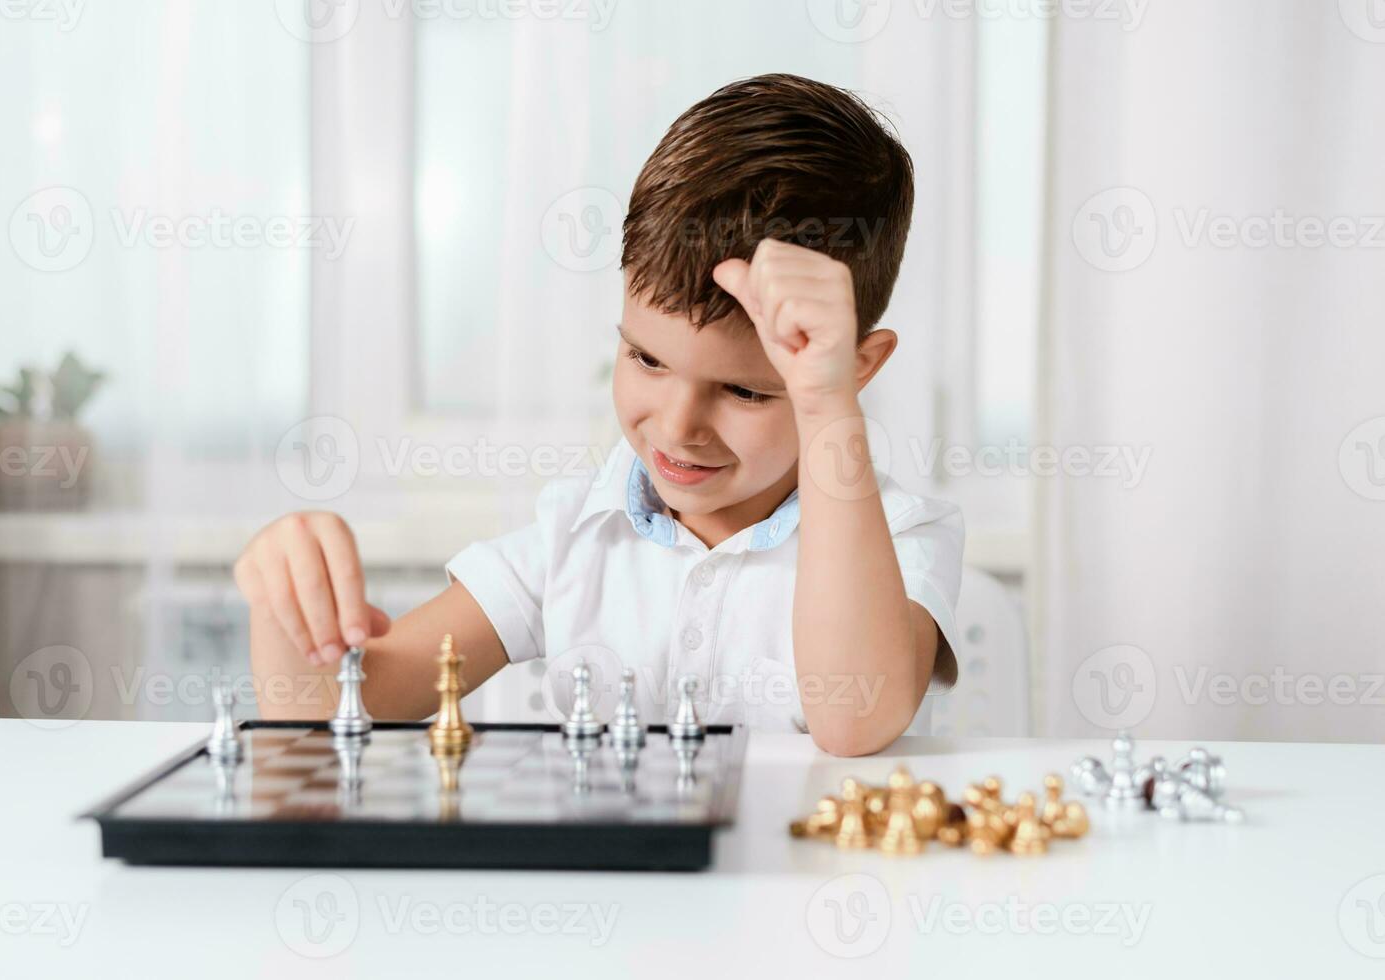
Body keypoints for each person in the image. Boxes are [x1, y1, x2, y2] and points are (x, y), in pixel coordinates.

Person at [237, 73, 964, 756]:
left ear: (856, 370)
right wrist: (288, 603)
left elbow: (853, 719)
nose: (679, 427)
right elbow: (342, 709)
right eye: (646, 359)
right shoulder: (573, 538)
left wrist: (827, 405)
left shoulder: (903, 538)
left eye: (746, 392)